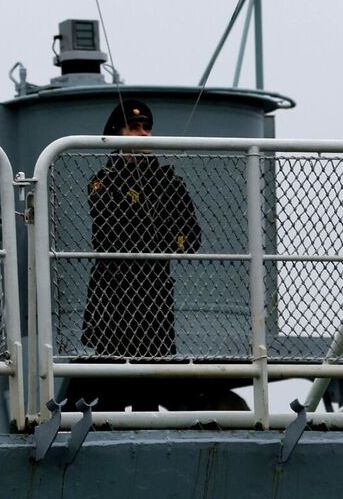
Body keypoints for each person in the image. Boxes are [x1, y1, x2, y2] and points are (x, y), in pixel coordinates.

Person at [77, 99, 232, 412]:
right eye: (134, 128)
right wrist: (163, 236)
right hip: (115, 290)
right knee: (114, 380)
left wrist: (158, 238)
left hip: (154, 289)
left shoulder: (168, 181)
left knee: (150, 382)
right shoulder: (103, 180)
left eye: (147, 128)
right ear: (116, 133)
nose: (144, 134)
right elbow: (114, 235)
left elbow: (191, 238)